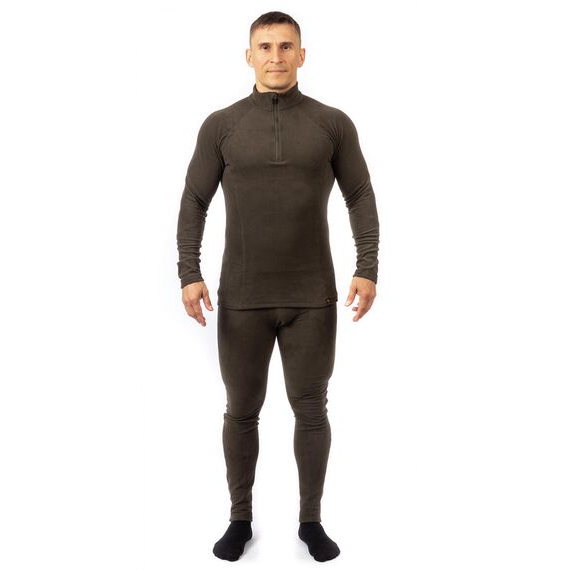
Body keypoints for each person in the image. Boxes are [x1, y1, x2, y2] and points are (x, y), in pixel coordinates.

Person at [176, 11, 380, 562]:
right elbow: (194, 199)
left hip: (312, 297)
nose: (275, 56)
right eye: (264, 47)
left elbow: (360, 194)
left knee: (311, 409)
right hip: (242, 297)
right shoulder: (221, 125)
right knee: (241, 410)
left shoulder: (332, 123)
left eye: (286, 46)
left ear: (302, 55)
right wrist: (190, 273)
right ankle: (239, 518)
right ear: (249, 56)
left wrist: (367, 266)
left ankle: (311, 521)